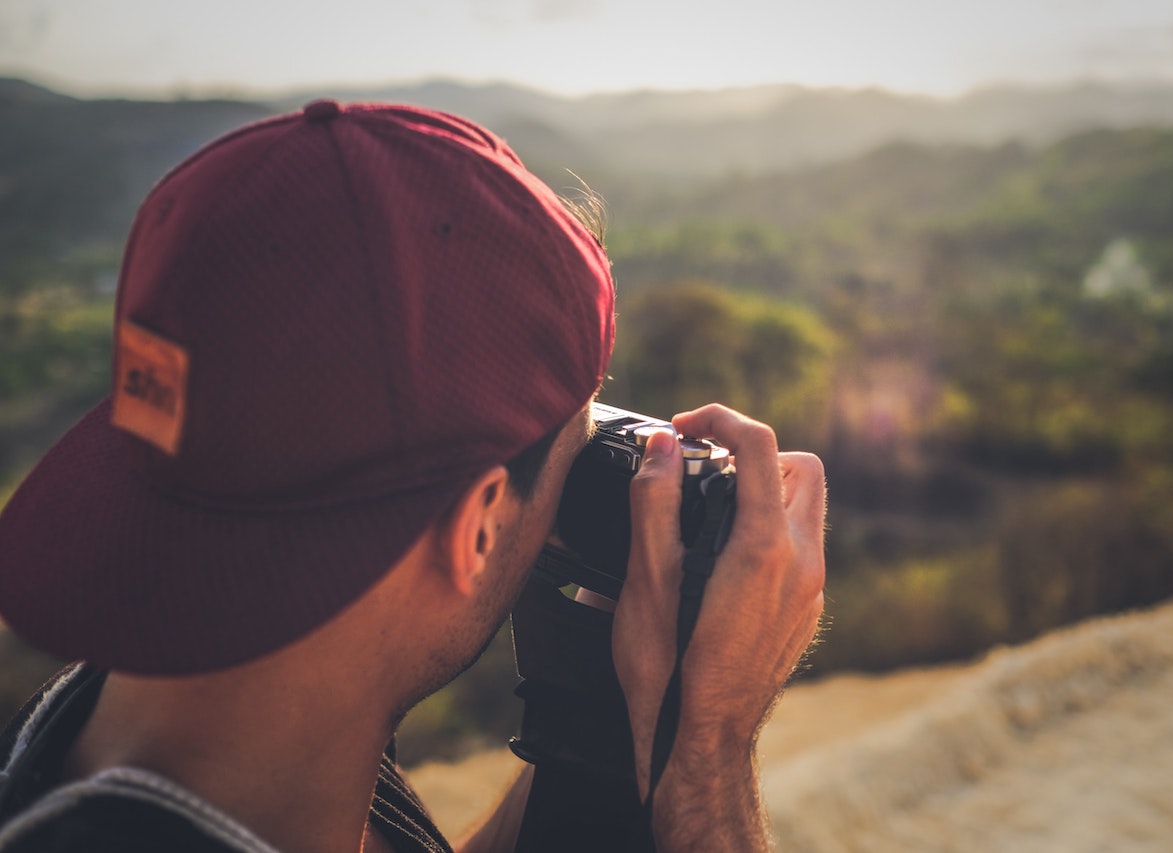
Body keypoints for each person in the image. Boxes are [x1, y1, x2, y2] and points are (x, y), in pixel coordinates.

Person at [0, 100, 826, 852]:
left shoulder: (179, 724)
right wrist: (706, 762)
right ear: (475, 527)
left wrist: (604, 728)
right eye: (577, 452)